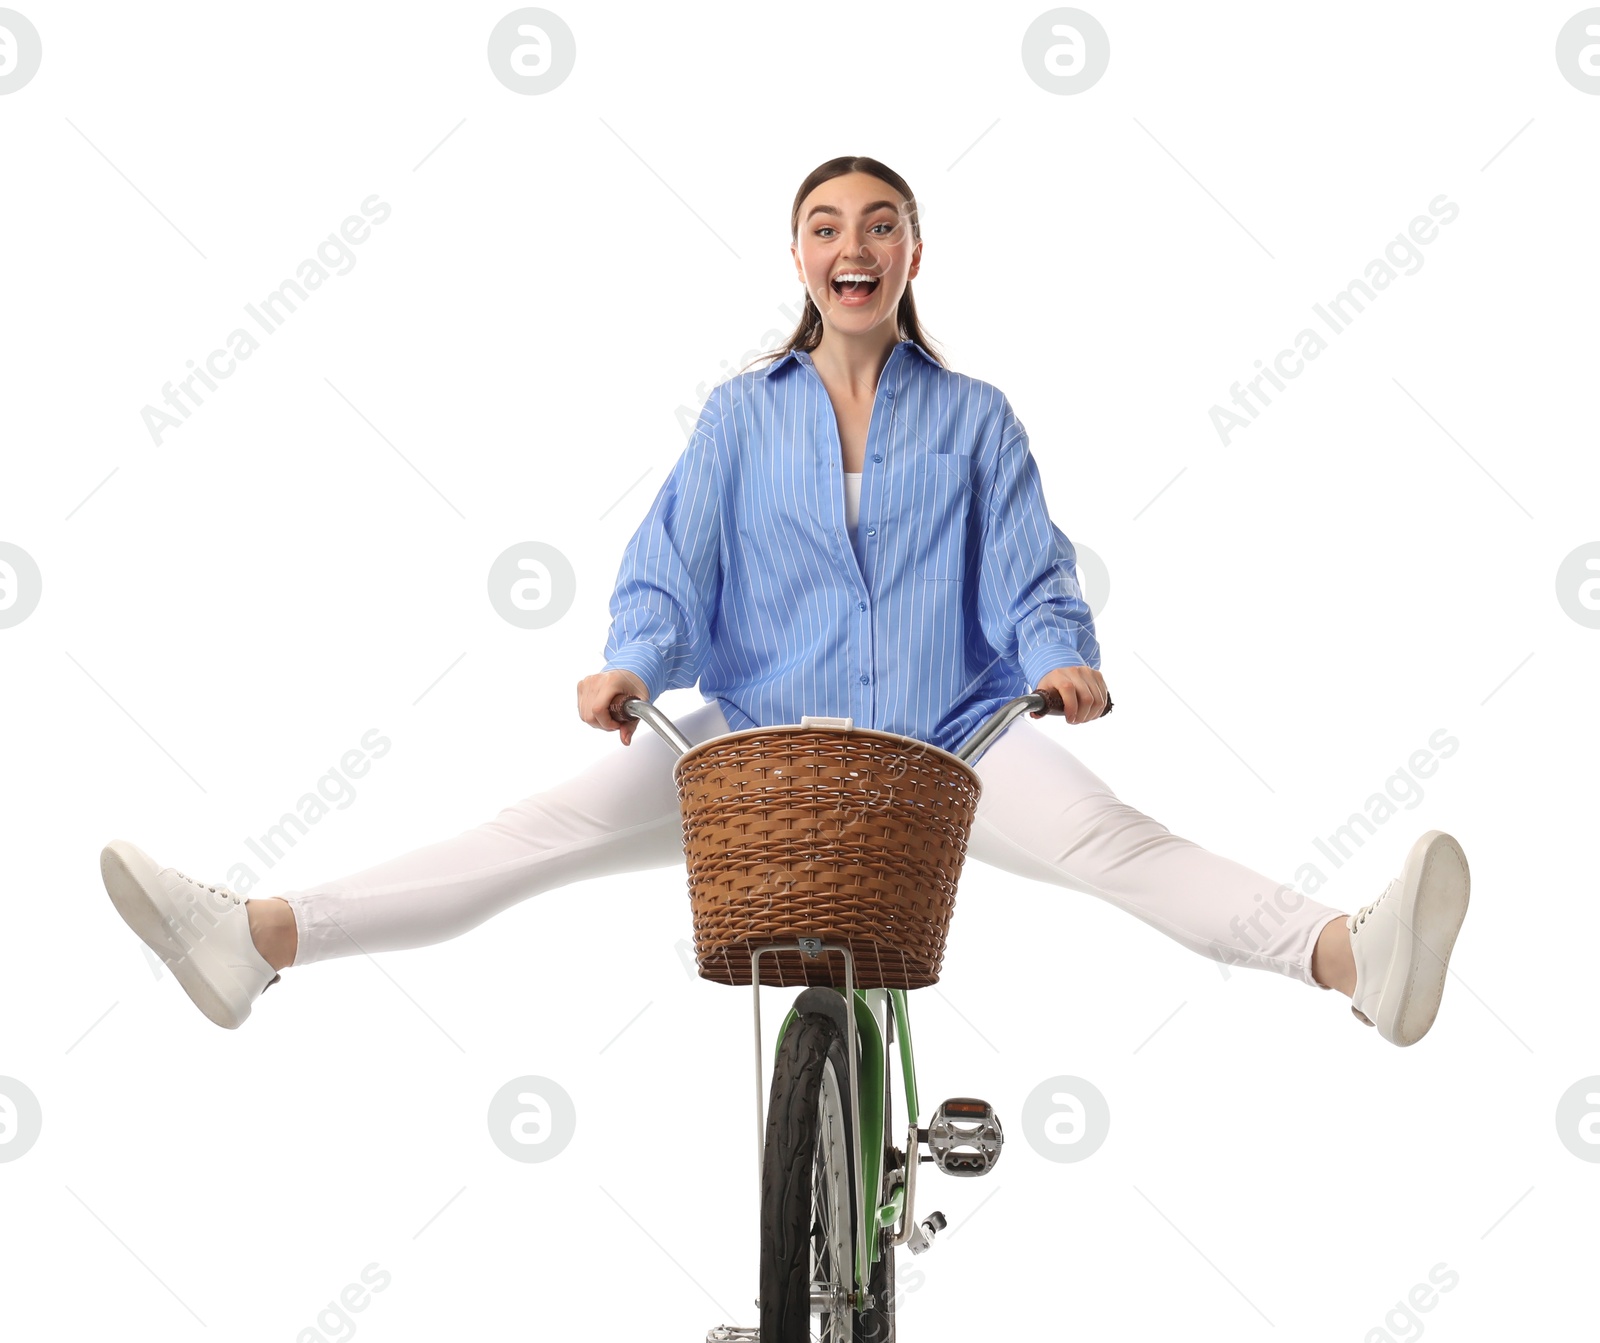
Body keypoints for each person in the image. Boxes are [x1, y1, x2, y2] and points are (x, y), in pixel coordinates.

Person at [100, 154, 1469, 1047]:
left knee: (1115, 841)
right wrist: (627, 664)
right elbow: (666, 560)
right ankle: (253, 940)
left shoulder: (977, 417)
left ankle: (1356, 959)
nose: (852, 246)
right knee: (528, 834)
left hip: (955, 743)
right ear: (800, 258)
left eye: (879, 226)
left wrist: (1062, 661)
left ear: (914, 255)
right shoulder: (738, 420)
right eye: (826, 227)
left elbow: (1032, 569)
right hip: (757, 748)